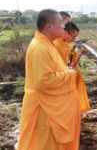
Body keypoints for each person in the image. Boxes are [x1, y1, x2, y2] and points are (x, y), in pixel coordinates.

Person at [17, 9, 80, 150]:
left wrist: (67, 70)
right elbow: (43, 81)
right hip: (45, 112)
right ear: (49, 26)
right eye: (61, 24)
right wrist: (69, 74)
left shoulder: (47, 44)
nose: (64, 27)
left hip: (52, 109)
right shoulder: (39, 48)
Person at [53, 21, 91, 113]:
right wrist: (79, 54)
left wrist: (79, 54)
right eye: (73, 36)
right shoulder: (56, 45)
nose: (74, 39)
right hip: (63, 81)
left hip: (72, 78)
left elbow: (72, 63)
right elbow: (68, 66)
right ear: (65, 33)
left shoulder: (67, 44)